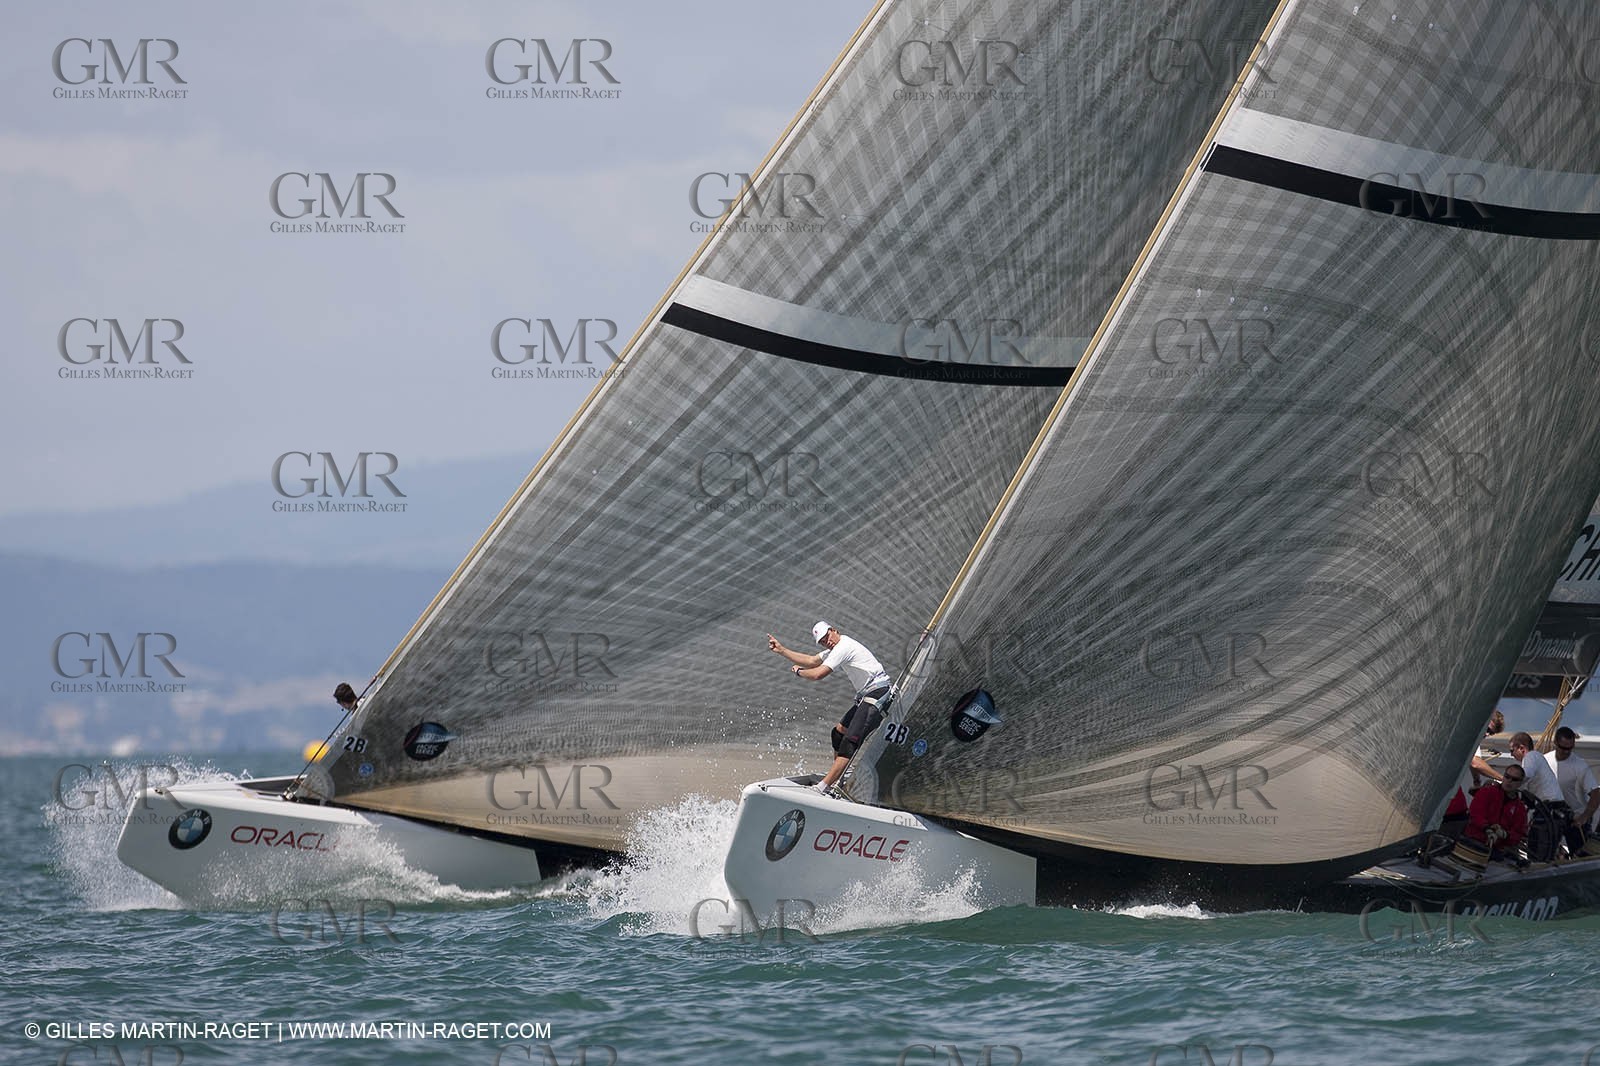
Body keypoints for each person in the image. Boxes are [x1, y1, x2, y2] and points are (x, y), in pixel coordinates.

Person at [768, 621, 891, 794]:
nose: (828, 642)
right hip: (866, 695)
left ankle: (823, 787)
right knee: (838, 734)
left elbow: (818, 673)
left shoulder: (844, 646)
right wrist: (782, 650)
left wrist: (798, 672)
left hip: (879, 693)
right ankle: (840, 777)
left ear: (834, 630)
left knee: (849, 741)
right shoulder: (837, 648)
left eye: (828, 637)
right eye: (823, 641)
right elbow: (812, 660)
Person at [1545, 726, 1600, 852]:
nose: (1566, 752)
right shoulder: (1545, 761)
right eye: (1563, 748)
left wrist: (1584, 817)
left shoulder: (1580, 765)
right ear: (1555, 743)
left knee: (1580, 855)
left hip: (1575, 819)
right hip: (1553, 817)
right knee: (1546, 854)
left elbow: (1596, 793)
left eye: (1570, 748)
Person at [1463, 767, 1529, 862]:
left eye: (1514, 779)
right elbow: (1475, 814)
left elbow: (1519, 833)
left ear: (1520, 783)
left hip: (1497, 851)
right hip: (1473, 843)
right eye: (1507, 777)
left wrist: (1505, 834)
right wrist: (1487, 829)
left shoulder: (1520, 808)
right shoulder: (1487, 792)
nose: (1509, 781)